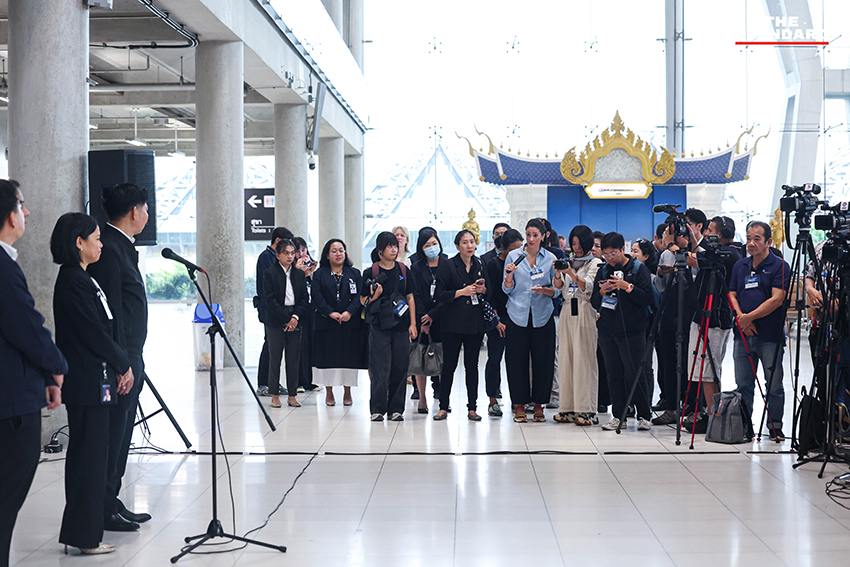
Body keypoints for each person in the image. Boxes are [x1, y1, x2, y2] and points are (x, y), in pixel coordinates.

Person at [51, 213, 133, 555]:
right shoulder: (71, 280)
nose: (101, 244)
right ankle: (84, 537)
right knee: (88, 458)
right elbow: (92, 333)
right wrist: (122, 362)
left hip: (96, 379)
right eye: (96, 238)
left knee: (94, 457)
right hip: (86, 382)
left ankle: (84, 532)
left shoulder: (85, 278)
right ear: (78, 243)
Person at [0, 180, 67, 566]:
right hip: (9, 405)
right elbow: (27, 326)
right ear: (9, 214)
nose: (26, 213)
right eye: (22, 205)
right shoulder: (3, 267)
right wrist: (56, 368)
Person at [86, 183, 153, 531]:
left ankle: (111, 499)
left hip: (130, 354)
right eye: (145, 208)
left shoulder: (121, 247)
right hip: (121, 360)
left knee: (123, 433)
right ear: (132, 212)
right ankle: (104, 506)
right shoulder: (110, 249)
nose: (147, 214)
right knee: (114, 435)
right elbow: (110, 313)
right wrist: (121, 363)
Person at [679, 217, 742, 433]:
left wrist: (682, 247)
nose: (707, 234)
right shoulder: (716, 250)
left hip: (716, 318)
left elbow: (697, 259)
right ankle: (709, 412)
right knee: (700, 369)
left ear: (723, 233)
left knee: (710, 370)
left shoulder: (731, 253)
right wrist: (693, 237)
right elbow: (701, 253)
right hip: (701, 315)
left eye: (711, 231)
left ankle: (716, 415)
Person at [729, 221, 790, 441]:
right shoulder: (740, 266)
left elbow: (777, 299)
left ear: (768, 242)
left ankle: (775, 426)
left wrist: (749, 317)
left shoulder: (779, 266)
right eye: (748, 238)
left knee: (773, 385)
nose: (751, 243)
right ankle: (745, 426)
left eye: (757, 239)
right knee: (743, 384)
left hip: (769, 336)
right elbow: (732, 294)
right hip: (742, 335)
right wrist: (741, 319)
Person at [591, 232, 654, 431]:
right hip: (608, 331)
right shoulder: (603, 271)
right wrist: (602, 291)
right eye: (606, 255)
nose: (610, 259)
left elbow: (647, 299)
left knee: (635, 373)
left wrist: (628, 287)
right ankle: (619, 416)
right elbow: (593, 301)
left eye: (614, 254)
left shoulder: (637, 269)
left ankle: (644, 414)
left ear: (623, 250)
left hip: (633, 330)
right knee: (613, 374)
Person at [502, 218, 560, 423]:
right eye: (528, 234)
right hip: (517, 314)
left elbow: (557, 289)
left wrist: (546, 289)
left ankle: (539, 405)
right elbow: (506, 288)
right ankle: (519, 405)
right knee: (516, 361)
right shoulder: (514, 256)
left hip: (542, 315)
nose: (531, 239)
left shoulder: (550, 258)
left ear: (543, 236)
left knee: (543, 361)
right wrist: (509, 276)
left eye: (536, 235)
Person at [361, 232, 417, 421]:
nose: (394, 249)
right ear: (380, 250)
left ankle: (396, 409)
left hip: (401, 326)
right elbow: (363, 299)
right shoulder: (371, 272)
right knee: (379, 368)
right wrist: (375, 296)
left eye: (395, 246)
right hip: (379, 326)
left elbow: (410, 297)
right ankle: (377, 409)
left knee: (400, 367)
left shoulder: (403, 270)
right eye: (389, 246)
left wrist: (413, 323)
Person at [433, 230, 487, 421]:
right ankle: (442, 406)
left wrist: (482, 289)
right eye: (465, 242)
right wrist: (460, 292)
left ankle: (472, 407)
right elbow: (439, 294)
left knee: (472, 366)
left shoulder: (480, 264)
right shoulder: (447, 266)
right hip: (452, 323)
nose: (469, 246)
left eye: (472, 242)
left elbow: (487, 292)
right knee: (449, 366)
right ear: (457, 246)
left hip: (474, 323)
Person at [553, 225, 602, 426]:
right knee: (566, 358)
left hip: (584, 309)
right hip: (567, 310)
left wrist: (571, 273)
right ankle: (567, 407)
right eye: (574, 243)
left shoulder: (595, 263)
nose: (577, 247)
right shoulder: (569, 262)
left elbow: (587, 287)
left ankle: (587, 410)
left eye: (580, 243)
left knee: (584, 359)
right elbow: (558, 287)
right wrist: (558, 272)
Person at [311, 239, 367, 406]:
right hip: (326, 323)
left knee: (348, 358)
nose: (338, 254)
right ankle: (329, 392)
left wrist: (349, 312)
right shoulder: (320, 274)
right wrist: (330, 312)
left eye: (341, 250)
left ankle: (347, 392)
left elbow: (360, 296)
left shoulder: (355, 273)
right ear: (327, 255)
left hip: (350, 323)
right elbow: (316, 296)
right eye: (334, 251)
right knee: (328, 359)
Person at [263, 239, 310, 408]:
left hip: (295, 316)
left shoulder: (298, 274)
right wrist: (286, 319)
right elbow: (270, 300)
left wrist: (295, 317)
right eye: (286, 253)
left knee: (293, 358)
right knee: (275, 357)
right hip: (276, 319)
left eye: (292, 253)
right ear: (278, 255)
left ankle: (292, 394)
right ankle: (274, 394)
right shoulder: (270, 273)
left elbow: (304, 298)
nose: (290, 256)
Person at [485, 229, 523, 417]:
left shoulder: (522, 264)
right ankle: (493, 399)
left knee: (516, 361)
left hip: (517, 317)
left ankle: (518, 400)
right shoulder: (493, 265)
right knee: (494, 359)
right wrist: (497, 319)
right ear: (503, 249)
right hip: (497, 319)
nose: (518, 254)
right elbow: (489, 294)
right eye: (514, 250)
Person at [409, 228, 447, 413]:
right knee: (420, 359)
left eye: (434, 243)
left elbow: (448, 293)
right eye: (427, 245)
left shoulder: (447, 263)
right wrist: (423, 319)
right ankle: (422, 398)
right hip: (421, 318)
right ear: (421, 248)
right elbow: (414, 294)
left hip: (442, 318)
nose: (432, 248)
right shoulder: (416, 267)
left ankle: (443, 400)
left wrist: (433, 314)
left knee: (442, 360)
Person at [254, 227, 294, 396]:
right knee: (270, 344)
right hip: (270, 308)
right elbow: (269, 285)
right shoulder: (266, 257)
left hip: (282, 307)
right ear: (278, 241)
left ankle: (273, 383)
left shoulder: (274, 258)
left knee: (277, 346)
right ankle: (264, 383)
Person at [292, 236, 319, 393]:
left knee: (310, 345)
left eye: (304, 250)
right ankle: (298, 382)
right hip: (297, 311)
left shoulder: (311, 265)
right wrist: (300, 272)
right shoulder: (293, 269)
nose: (301, 253)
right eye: (298, 251)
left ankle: (309, 381)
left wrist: (310, 273)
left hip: (311, 310)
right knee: (299, 347)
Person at [591, 230, 609, 413]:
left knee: (604, 362)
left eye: (598, 246)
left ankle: (603, 399)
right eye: (593, 246)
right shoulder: (585, 266)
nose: (594, 250)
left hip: (606, 320)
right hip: (587, 318)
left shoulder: (608, 269)